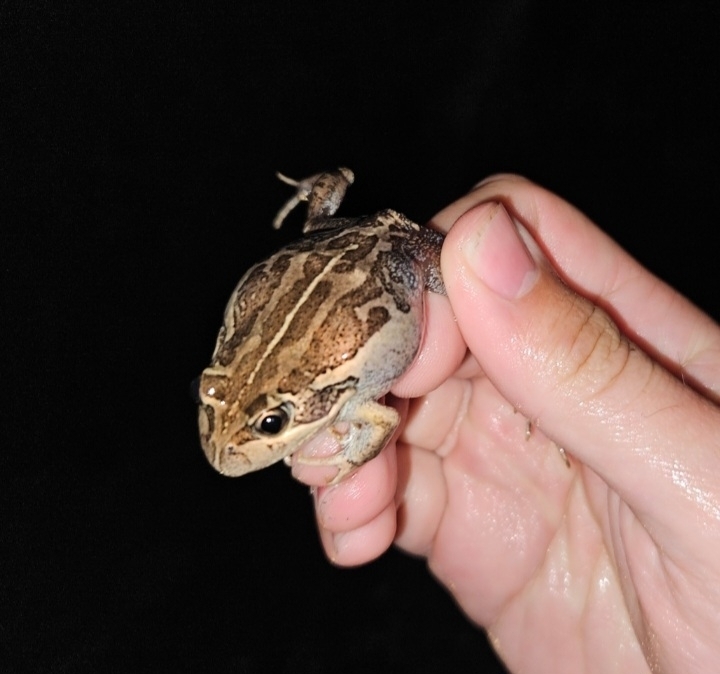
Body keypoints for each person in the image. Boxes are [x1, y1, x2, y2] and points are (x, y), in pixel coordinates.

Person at [291, 175, 720, 673]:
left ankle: (505, 344)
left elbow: (383, 419)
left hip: (393, 260)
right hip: (365, 260)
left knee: (475, 304)